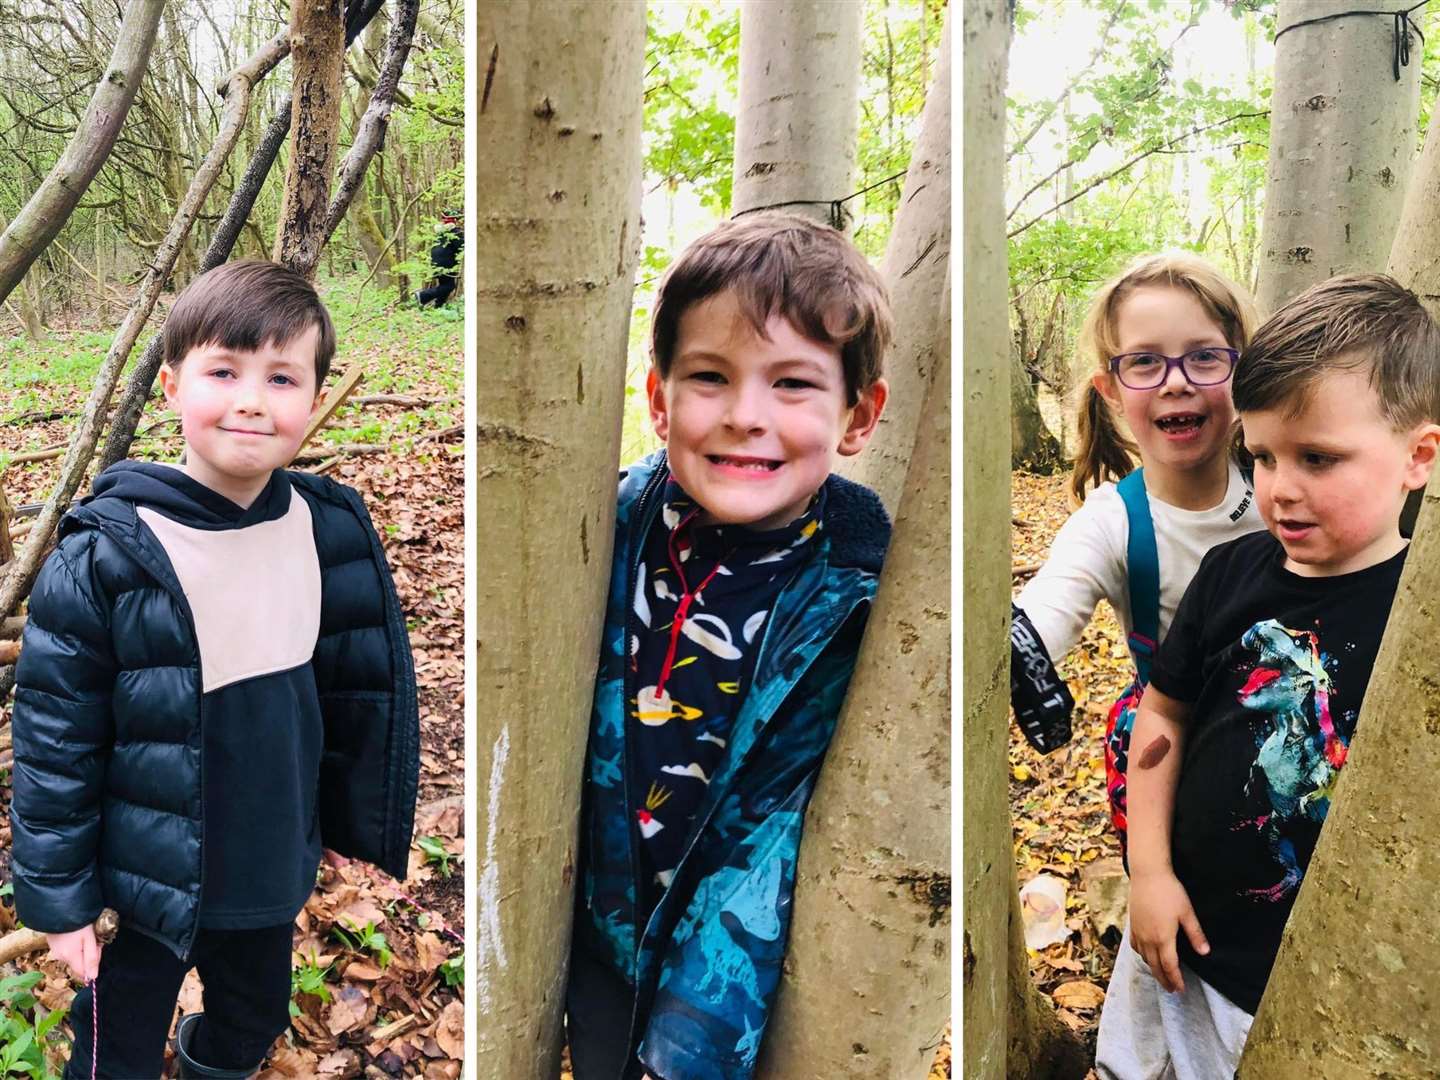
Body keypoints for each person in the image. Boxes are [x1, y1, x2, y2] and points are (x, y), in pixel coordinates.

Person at [8, 260, 420, 1079]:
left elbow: (348, 693)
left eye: (281, 377)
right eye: (223, 371)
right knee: (115, 1044)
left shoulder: (327, 529)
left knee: (252, 1017)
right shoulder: (108, 555)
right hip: (143, 880)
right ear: (170, 386)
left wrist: (340, 821)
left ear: (313, 395)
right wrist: (60, 902)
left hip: (266, 861)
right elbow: (55, 736)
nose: (251, 400)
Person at [566, 212, 892, 1080]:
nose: (747, 417)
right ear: (660, 398)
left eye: (792, 385)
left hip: (730, 959)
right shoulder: (609, 521)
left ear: (859, 416)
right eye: (711, 377)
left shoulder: (868, 586)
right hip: (597, 919)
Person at [1097, 274, 1440, 1078]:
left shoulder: (1417, 615)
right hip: (1180, 937)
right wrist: (1146, 872)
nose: (1281, 488)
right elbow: (1163, 719)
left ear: (1418, 456)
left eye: (1318, 458)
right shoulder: (1230, 574)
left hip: (1307, 980)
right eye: (1263, 455)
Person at [1011, 253, 1265, 853]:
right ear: (1111, 389)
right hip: (1174, 765)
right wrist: (1021, 654)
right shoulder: (1111, 522)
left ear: (1242, 370)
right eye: (1145, 361)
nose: (1176, 379)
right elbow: (1044, 614)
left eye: (1204, 356)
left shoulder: (1285, 485)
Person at [417, 210, 463, 308]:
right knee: (449, 286)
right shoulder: (455, 232)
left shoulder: (440, 232)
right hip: (447, 263)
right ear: (454, 220)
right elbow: (462, 246)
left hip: (436, 262)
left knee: (444, 285)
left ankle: (438, 306)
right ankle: (422, 295)